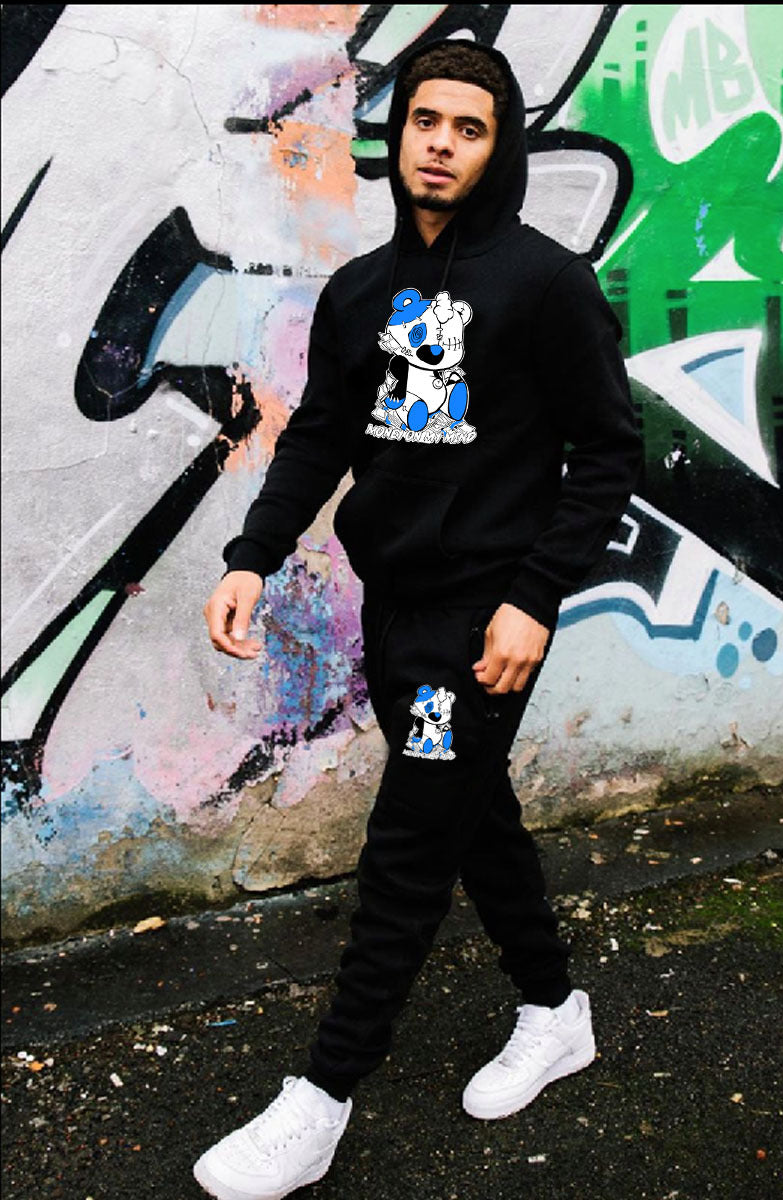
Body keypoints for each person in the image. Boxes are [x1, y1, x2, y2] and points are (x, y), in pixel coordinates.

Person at [194, 38, 642, 1200]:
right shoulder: (359, 292)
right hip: (392, 612)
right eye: (425, 122)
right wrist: (251, 557)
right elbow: (318, 440)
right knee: (469, 813)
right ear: (399, 138)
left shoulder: (546, 285)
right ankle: (555, 1009)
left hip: (480, 623)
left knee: (407, 847)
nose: (440, 145)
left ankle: (322, 1097)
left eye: (469, 129)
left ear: (501, 150)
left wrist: (534, 597)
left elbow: (608, 453)